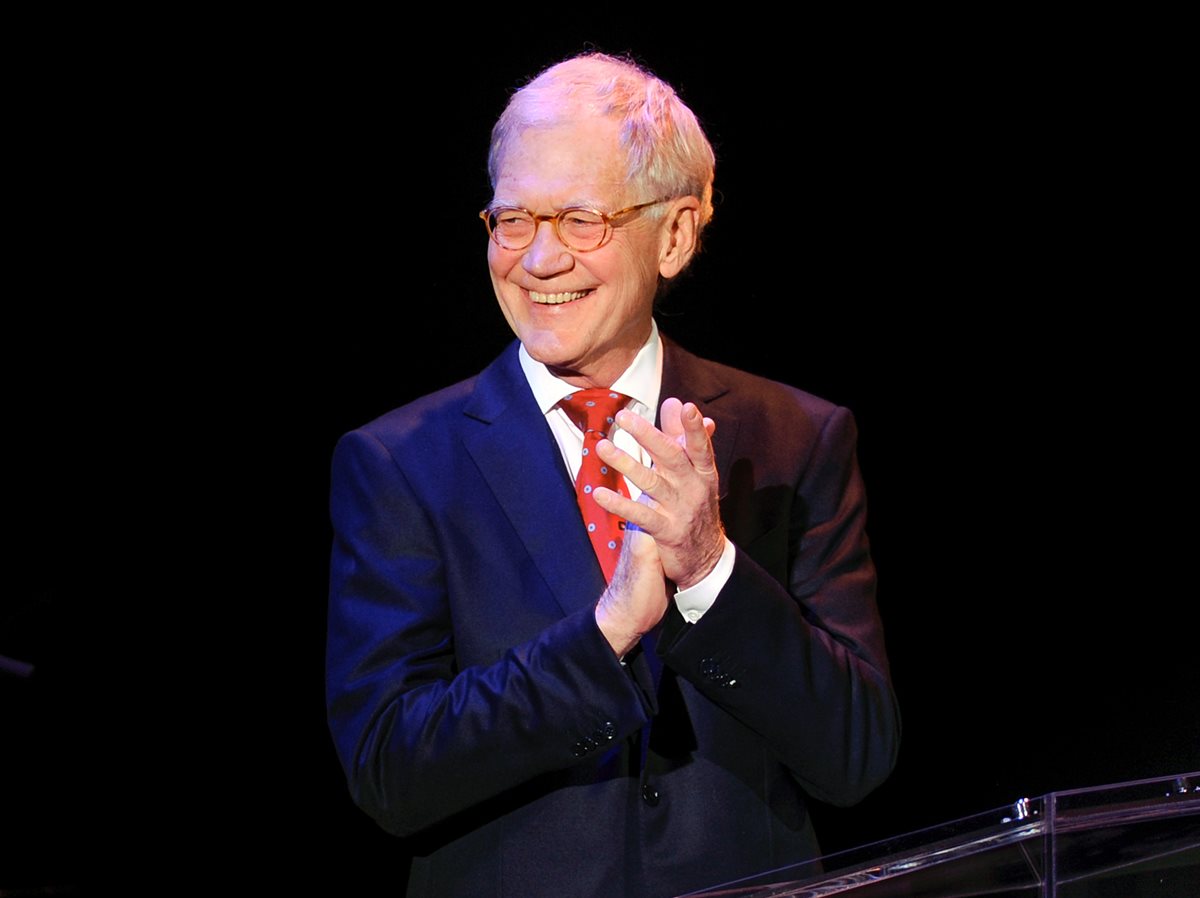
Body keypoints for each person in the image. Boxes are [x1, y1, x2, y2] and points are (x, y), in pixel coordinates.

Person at [326, 52, 900, 898]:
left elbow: (855, 756)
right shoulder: (400, 463)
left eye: (580, 220)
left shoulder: (794, 439)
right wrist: (603, 637)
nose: (537, 259)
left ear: (675, 235)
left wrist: (709, 570)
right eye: (513, 219)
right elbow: (389, 773)